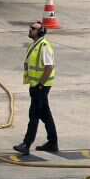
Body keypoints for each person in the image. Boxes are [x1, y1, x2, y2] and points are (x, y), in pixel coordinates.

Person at [14, 23, 58, 156]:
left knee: (33, 115)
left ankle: (26, 144)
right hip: (35, 85)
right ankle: (52, 142)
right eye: (31, 27)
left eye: (33, 28)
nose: (30, 30)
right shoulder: (35, 45)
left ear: (40, 32)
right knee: (45, 114)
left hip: (41, 87)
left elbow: (49, 67)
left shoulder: (44, 46)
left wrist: (40, 85)